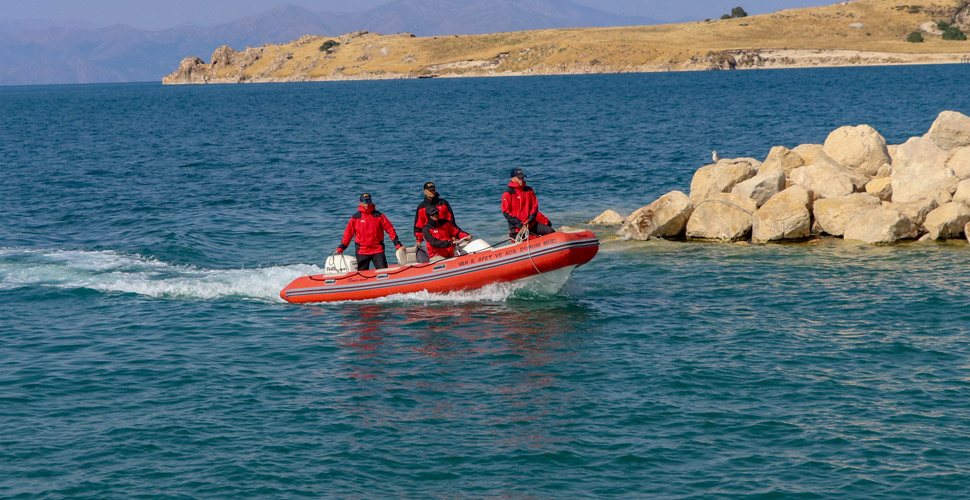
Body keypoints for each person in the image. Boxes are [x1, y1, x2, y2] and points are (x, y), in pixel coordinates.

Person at [336, 193, 403, 270]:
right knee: (363, 276)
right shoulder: (355, 218)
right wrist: (342, 247)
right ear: (360, 203)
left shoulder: (379, 216)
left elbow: (390, 229)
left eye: (369, 201)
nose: (367, 203)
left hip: (377, 249)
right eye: (365, 202)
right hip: (362, 251)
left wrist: (397, 244)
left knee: (384, 273)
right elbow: (348, 234)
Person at [501, 168, 553, 238]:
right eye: (519, 178)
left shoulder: (529, 190)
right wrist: (520, 225)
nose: (522, 179)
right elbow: (506, 212)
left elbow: (534, 207)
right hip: (517, 228)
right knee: (531, 240)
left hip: (530, 224)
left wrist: (529, 221)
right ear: (513, 179)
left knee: (550, 232)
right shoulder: (507, 194)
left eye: (522, 177)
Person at [413, 181, 459, 246]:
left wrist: (454, 235)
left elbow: (451, 220)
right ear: (425, 191)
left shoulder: (443, 203)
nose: (432, 192)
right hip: (431, 236)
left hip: (446, 234)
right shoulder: (421, 207)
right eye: (430, 190)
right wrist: (419, 240)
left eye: (433, 190)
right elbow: (418, 225)